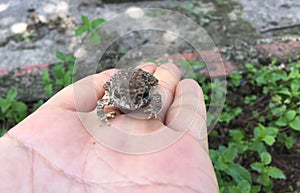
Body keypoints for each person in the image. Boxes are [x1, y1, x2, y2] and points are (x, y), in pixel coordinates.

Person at [0, 63, 219, 192]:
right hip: (119, 87)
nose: (131, 106)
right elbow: (102, 105)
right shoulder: (110, 99)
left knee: (156, 85)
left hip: (138, 86)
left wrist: (152, 109)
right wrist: (104, 117)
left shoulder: (147, 94)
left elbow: (155, 98)